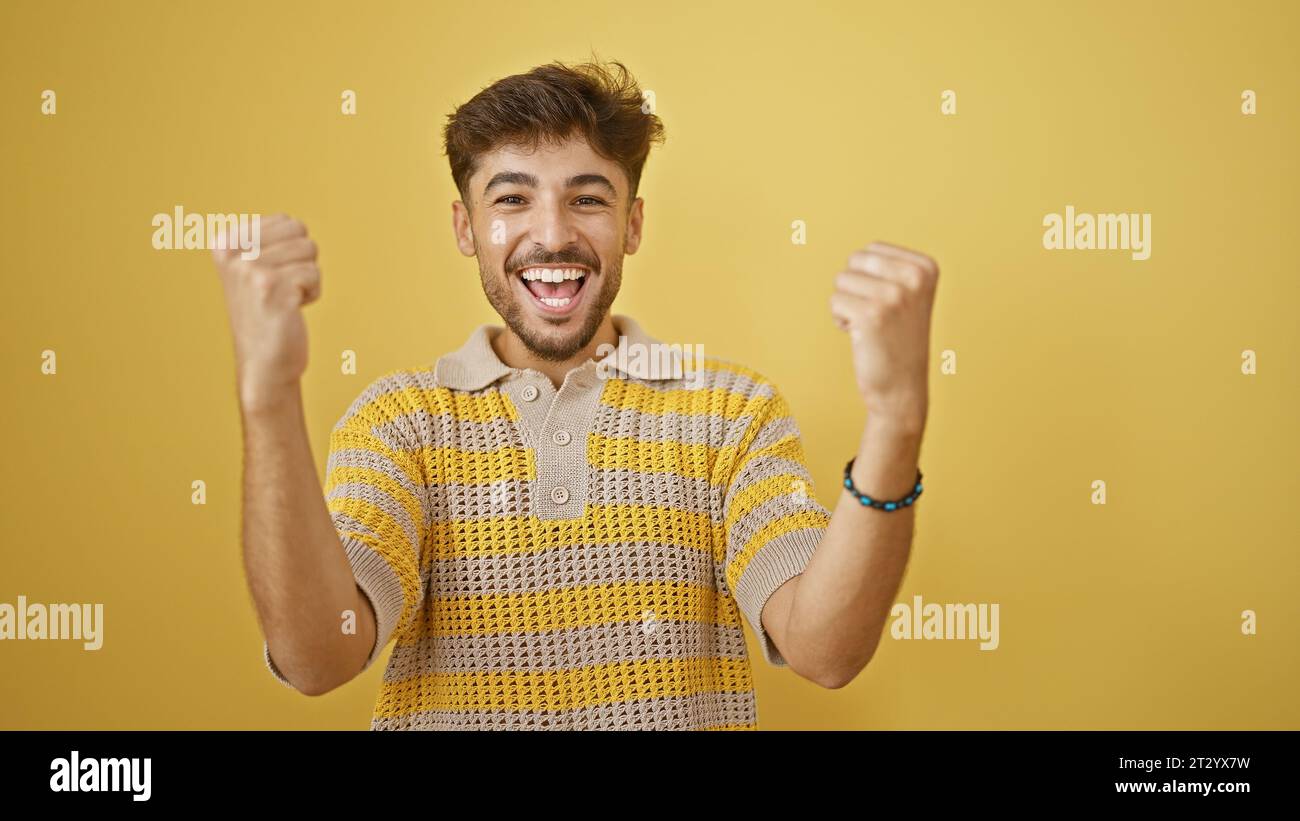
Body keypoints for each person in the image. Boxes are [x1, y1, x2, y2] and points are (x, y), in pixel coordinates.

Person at [212, 58, 938, 730]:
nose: (552, 235)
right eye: (512, 199)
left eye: (587, 198)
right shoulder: (398, 422)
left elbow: (825, 650)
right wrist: (268, 397)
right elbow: (317, 660)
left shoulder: (732, 413)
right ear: (466, 228)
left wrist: (896, 422)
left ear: (633, 223)